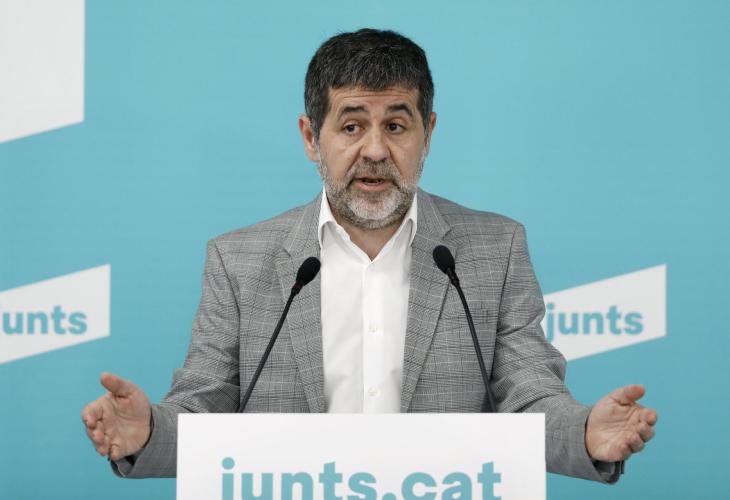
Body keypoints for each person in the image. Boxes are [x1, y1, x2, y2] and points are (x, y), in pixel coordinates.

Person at [81, 28, 657, 483]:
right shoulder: (239, 261)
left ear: (428, 133)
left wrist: (584, 432)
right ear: (311, 137)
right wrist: (147, 432)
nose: (376, 150)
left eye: (396, 125)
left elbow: (528, 396)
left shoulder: (493, 249)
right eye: (352, 125)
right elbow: (202, 411)